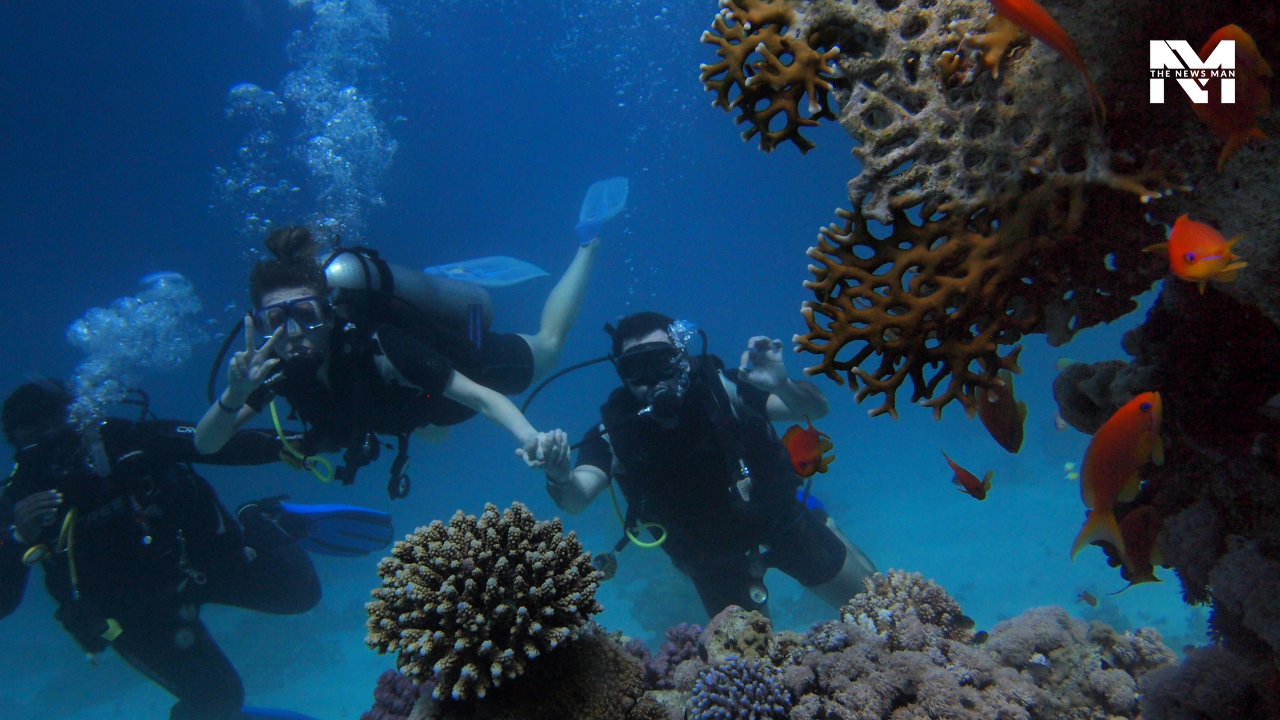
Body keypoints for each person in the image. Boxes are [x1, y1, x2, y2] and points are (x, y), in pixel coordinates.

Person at [0, 381, 325, 720]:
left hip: (203, 564)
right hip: (136, 616)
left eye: (61, 429)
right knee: (219, 700)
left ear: (81, 419)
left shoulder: (128, 441)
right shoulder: (17, 502)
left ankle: (259, 519)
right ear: (19, 448)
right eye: (37, 441)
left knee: (302, 594)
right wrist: (19, 537)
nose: (55, 448)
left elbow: (210, 443)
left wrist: (299, 443)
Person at [193, 224, 598, 492]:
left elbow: (481, 398)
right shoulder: (269, 372)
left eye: (307, 314)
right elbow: (206, 444)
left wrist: (530, 438)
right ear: (257, 324)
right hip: (420, 408)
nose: (294, 334)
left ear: (330, 311)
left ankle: (587, 244)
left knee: (548, 348)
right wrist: (234, 395)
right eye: (276, 320)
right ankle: (448, 292)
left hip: (460, 364)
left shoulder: (383, 345)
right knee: (434, 433)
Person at [538, 312, 877, 618]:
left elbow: (814, 411)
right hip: (712, 559)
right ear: (621, 374)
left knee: (876, 609)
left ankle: (819, 517)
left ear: (682, 358)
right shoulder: (612, 432)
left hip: (782, 520)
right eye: (634, 368)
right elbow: (576, 498)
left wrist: (783, 386)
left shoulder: (723, 388)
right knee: (748, 671)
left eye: (662, 362)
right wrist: (559, 476)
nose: (651, 379)